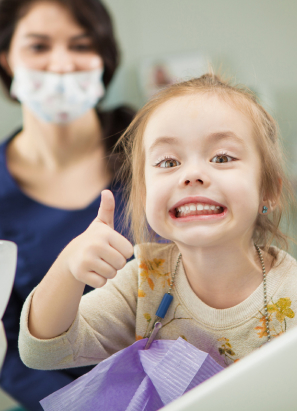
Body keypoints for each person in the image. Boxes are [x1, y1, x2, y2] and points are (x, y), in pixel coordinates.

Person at [19, 74, 297, 391]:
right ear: (143, 196)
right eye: (168, 162)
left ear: (268, 192)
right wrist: (68, 267)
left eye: (221, 157)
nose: (192, 174)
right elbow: (42, 351)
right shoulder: (143, 281)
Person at [0, 0, 134, 409]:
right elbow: (9, 350)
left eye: (80, 45)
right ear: (6, 59)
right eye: (39, 47)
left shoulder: (155, 153)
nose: (61, 65)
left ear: (103, 58)